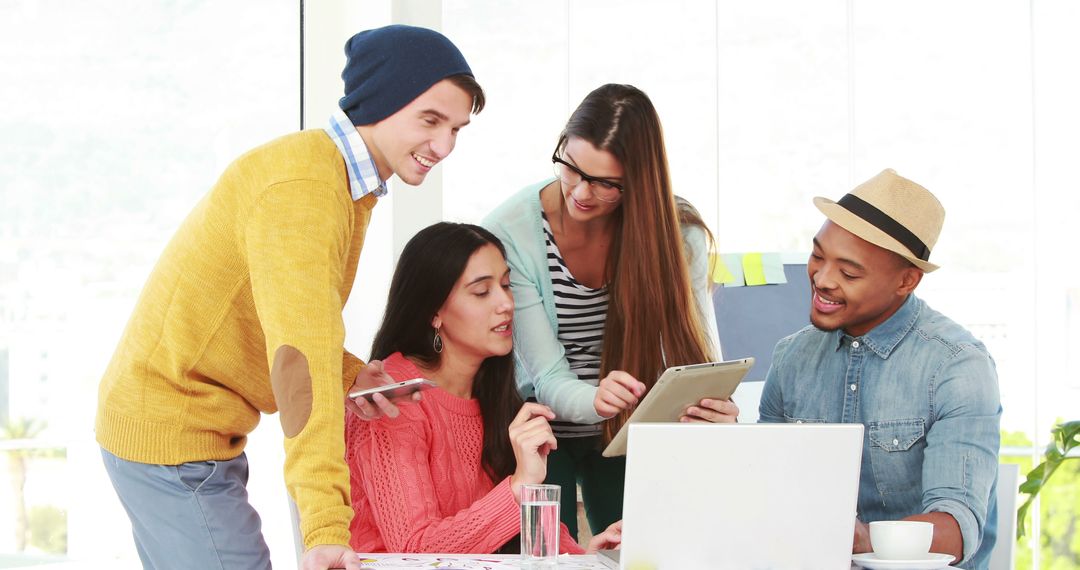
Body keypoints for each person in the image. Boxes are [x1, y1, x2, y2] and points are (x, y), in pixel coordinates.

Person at [95, 25, 484, 570]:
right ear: (381, 101)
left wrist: (352, 374)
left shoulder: (335, 178)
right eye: (430, 119)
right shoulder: (304, 191)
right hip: (173, 430)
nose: (444, 146)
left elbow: (289, 324)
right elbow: (300, 362)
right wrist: (326, 526)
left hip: (195, 421)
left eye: (457, 128)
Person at [482, 84, 738, 539]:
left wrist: (716, 406)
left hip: (629, 428)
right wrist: (596, 399)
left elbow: (700, 361)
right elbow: (548, 377)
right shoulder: (511, 231)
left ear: (639, 181)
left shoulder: (679, 235)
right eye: (571, 167)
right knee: (544, 556)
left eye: (606, 184)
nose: (581, 192)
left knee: (645, 549)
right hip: (539, 428)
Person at [758, 169, 1001, 570]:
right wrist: (727, 443)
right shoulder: (791, 357)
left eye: (849, 273)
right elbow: (766, 489)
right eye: (818, 255)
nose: (821, 279)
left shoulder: (957, 366)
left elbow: (957, 529)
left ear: (907, 280)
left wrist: (866, 541)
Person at [344, 222, 622, 554]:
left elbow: (525, 537)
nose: (505, 303)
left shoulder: (496, 395)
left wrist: (583, 557)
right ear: (434, 312)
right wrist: (518, 487)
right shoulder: (391, 397)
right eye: (481, 291)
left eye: (506, 285)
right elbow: (414, 550)